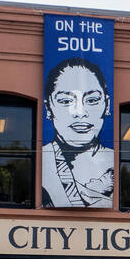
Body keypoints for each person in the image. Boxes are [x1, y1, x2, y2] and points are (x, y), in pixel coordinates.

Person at [42, 57, 114, 207]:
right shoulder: (41, 159)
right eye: (66, 101)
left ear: (106, 105)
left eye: (92, 100)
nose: (80, 113)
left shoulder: (120, 162)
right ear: (48, 109)